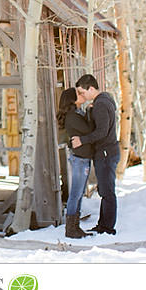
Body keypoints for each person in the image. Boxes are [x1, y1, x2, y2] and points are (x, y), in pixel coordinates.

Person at [71, 74, 120, 235]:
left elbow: (102, 132)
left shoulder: (101, 104)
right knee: (105, 191)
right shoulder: (103, 101)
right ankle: (103, 225)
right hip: (107, 152)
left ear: (91, 88)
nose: (82, 96)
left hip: (106, 153)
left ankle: (107, 228)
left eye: (82, 92)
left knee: (107, 192)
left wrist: (82, 140)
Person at [56, 87, 95, 239]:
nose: (82, 95)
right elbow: (89, 129)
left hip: (83, 158)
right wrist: (91, 112)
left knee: (78, 194)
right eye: (78, 94)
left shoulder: (78, 113)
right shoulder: (73, 116)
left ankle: (75, 226)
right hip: (79, 159)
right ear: (72, 100)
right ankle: (70, 228)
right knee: (75, 194)